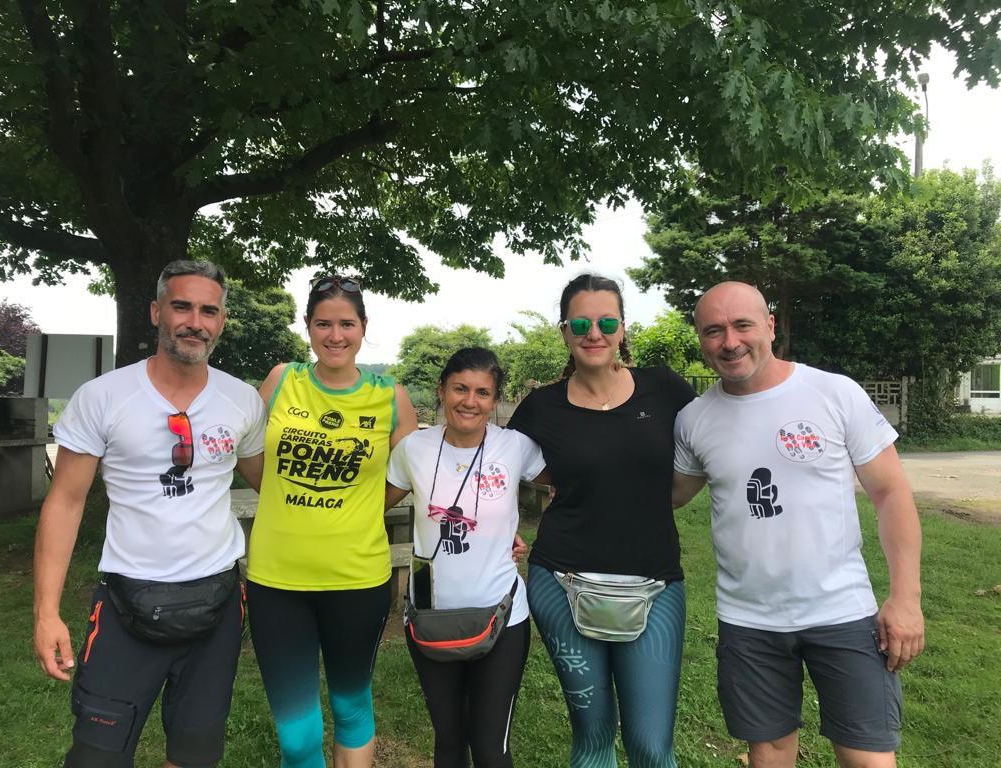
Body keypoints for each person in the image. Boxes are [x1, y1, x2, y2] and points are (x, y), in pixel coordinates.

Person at [672, 281, 924, 768]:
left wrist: (906, 599)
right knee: (767, 754)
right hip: (749, 621)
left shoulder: (832, 392)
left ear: (770, 326)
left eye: (742, 325)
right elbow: (670, 496)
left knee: (867, 756)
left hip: (842, 612)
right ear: (701, 340)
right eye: (713, 331)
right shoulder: (694, 419)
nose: (730, 342)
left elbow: (891, 492)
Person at [33, 260, 267, 768]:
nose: (195, 321)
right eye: (182, 306)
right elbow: (66, 502)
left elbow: (267, 480)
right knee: (96, 757)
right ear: (157, 311)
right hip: (127, 602)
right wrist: (46, 612)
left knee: (195, 756)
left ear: (221, 321)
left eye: (209, 310)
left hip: (216, 602)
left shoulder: (242, 401)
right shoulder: (103, 397)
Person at [507, 273, 697, 768]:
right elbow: (497, 467)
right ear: (565, 330)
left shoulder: (664, 389)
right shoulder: (541, 406)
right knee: (592, 740)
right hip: (561, 580)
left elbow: (717, 442)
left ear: (622, 328)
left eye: (607, 321)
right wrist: (501, 528)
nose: (595, 332)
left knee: (652, 746)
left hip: (655, 582)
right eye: (582, 322)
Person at [246, 274, 417, 768]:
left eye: (347, 323)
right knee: (297, 734)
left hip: (357, 579)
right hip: (277, 581)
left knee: (350, 706)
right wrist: (285, 496)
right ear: (308, 326)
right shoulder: (282, 380)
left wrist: (359, 505)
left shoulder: (391, 397)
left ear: (364, 328)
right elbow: (249, 454)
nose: (335, 335)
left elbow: (410, 473)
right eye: (324, 323)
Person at [385, 347, 547, 768]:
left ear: (495, 400)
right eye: (459, 388)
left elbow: (569, 487)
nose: (469, 401)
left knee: (492, 748)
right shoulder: (412, 449)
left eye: (482, 392)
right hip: (430, 618)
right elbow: (372, 506)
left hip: (501, 616)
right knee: (449, 742)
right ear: (441, 390)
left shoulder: (516, 447)